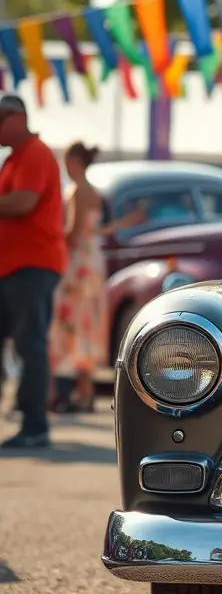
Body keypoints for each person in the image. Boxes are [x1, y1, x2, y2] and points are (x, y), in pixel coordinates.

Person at [0, 93, 67, 449]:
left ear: (16, 117)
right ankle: (29, 422)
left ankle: (34, 426)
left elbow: (23, 202)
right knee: (24, 343)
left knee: (30, 344)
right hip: (13, 266)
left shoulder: (34, 154)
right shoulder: (14, 159)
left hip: (32, 265)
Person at [49, 142, 109, 413]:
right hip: (93, 261)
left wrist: (49, 237)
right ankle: (85, 390)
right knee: (87, 322)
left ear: (74, 161)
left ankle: (68, 391)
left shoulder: (75, 191)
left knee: (69, 323)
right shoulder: (94, 191)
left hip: (78, 263)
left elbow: (72, 234)